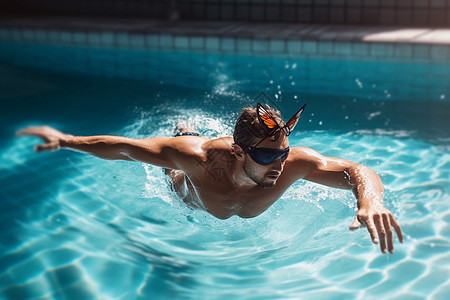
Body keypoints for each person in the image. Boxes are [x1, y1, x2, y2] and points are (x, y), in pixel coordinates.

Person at [16, 103, 403, 254]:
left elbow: (358, 170)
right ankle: (185, 129)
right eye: (268, 154)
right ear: (239, 151)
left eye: (283, 152)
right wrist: (66, 140)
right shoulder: (199, 161)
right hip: (187, 187)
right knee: (176, 157)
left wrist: (370, 200)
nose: (280, 163)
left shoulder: (293, 163)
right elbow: (126, 148)